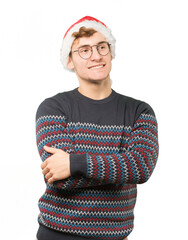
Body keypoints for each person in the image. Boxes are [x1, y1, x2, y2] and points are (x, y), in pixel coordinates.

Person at [35, 16, 159, 240]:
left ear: (111, 53)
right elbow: (61, 178)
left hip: (115, 236)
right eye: (84, 49)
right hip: (57, 235)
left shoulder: (139, 111)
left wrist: (75, 162)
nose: (96, 55)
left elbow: (141, 166)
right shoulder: (53, 108)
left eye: (102, 47)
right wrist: (120, 166)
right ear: (70, 61)